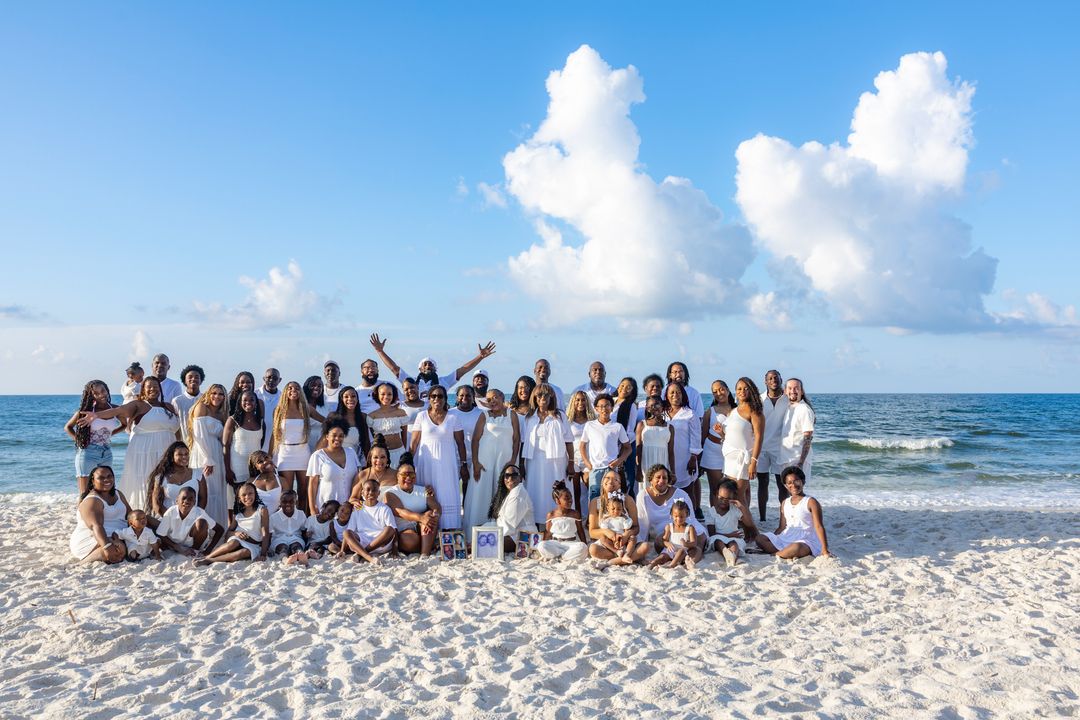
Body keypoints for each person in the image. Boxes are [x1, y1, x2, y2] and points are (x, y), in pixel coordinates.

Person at [78, 377, 181, 511]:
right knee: (145, 481)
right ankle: (143, 514)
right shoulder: (138, 405)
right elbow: (117, 411)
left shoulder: (169, 406)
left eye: (155, 386)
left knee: (167, 482)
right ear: (143, 389)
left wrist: (180, 447)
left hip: (167, 450)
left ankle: (167, 513)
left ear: (160, 389)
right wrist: (96, 415)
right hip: (144, 451)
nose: (152, 389)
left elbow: (177, 429)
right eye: (148, 386)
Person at [369, 333, 496, 400]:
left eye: (431, 364)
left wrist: (480, 357)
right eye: (425, 364)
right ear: (420, 368)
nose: (428, 365)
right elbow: (394, 368)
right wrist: (380, 351)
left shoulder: (443, 382)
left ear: (435, 369)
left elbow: (463, 370)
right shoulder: (411, 382)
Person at [410, 385, 468, 529]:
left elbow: (461, 443)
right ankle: (429, 530)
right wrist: (408, 463)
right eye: (433, 396)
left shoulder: (453, 418)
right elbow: (414, 442)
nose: (437, 399)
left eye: (440, 396)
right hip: (426, 463)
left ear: (445, 399)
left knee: (446, 493)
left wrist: (464, 465)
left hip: (447, 464)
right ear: (429, 399)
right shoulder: (421, 416)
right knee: (428, 495)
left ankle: (448, 529)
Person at [465, 389, 520, 535]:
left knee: (503, 493)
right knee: (481, 493)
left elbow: (516, 439)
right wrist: (475, 462)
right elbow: (475, 440)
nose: (493, 401)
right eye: (489, 399)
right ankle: (476, 531)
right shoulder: (484, 415)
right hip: (484, 461)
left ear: (502, 397)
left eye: (495, 397)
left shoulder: (511, 414)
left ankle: (503, 532)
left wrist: (513, 461)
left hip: (505, 461)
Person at [522, 383, 575, 526]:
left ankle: (559, 523)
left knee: (556, 491)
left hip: (556, 462)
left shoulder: (560, 416)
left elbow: (569, 442)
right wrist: (521, 465)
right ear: (534, 397)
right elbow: (522, 442)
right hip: (534, 462)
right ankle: (539, 525)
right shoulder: (528, 417)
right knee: (535, 491)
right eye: (539, 395)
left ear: (552, 397)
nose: (542, 398)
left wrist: (571, 463)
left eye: (546, 395)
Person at [755, 467, 830, 559]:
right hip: (787, 536)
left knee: (796, 547)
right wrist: (773, 540)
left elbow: (819, 526)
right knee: (760, 538)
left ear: (803, 482)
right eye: (789, 483)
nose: (793, 485)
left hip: (805, 540)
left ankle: (775, 554)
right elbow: (782, 527)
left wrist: (824, 549)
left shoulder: (811, 502)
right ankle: (783, 553)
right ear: (786, 486)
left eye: (796, 481)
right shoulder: (784, 503)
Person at [635, 464, 706, 559]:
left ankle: (694, 556)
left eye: (664, 478)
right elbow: (642, 522)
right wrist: (641, 543)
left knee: (700, 534)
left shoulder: (681, 494)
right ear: (651, 479)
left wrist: (686, 532)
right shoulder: (643, 495)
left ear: (668, 480)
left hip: (683, 526)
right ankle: (677, 556)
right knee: (661, 540)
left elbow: (691, 518)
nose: (661, 481)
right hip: (663, 531)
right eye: (658, 477)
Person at [64, 380, 122, 495]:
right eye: (96, 393)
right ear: (91, 396)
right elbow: (68, 427)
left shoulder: (115, 409)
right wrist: (80, 440)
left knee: (105, 490)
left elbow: (125, 424)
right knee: (85, 492)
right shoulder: (86, 411)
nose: (101, 395)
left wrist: (111, 434)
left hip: (106, 453)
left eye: (103, 391)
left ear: (107, 390)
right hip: (87, 453)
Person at [196, 482, 270, 565]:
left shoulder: (262, 510)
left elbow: (265, 533)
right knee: (233, 543)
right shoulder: (238, 512)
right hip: (237, 540)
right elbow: (228, 533)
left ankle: (210, 561)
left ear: (255, 494)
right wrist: (236, 533)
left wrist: (263, 554)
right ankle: (207, 557)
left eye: (250, 493)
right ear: (239, 498)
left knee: (244, 552)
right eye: (244, 495)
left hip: (254, 545)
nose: (247, 497)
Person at [187, 383, 229, 528]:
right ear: (208, 394)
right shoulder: (201, 407)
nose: (217, 397)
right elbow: (199, 435)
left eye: (220, 394)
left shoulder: (221, 414)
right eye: (214, 393)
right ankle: (202, 528)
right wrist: (208, 459)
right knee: (205, 489)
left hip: (217, 453)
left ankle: (218, 528)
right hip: (203, 453)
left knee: (217, 491)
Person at [69, 465, 131, 563]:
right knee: (118, 549)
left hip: (118, 534)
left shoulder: (118, 494)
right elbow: (95, 526)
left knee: (146, 522)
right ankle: (84, 562)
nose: (107, 480)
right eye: (101, 478)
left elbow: (130, 515)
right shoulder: (92, 500)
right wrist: (107, 546)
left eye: (109, 476)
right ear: (93, 481)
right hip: (94, 539)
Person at [587, 469, 650, 564]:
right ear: (602, 482)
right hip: (608, 544)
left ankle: (614, 561)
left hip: (626, 541)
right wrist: (606, 532)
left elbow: (636, 528)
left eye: (615, 479)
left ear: (620, 485)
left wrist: (626, 535)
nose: (611, 481)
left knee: (645, 546)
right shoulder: (596, 502)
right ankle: (624, 558)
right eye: (607, 478)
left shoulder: (628, 500)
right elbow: (592, 532)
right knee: (593, 549)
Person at [722, 377, 765, 512]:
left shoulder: (755, 412)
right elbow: (731, 436)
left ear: (752, 391)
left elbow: (759, 437)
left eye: (746, 388)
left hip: (743, 462)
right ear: (735, 391)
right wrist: (721, 433)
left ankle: (750, 529)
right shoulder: (732, 411)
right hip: (729, 461)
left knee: (738, 496)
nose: (742, 391)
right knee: (730, 495)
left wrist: (754, 462)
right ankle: (737, 526)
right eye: (739, 389)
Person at [382, 459, 441, 556]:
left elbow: (436, 506)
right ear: (398, 476)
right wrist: (421, 518)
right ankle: (429, 545)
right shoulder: (390, 493)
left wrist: (435, 515)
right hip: (404, 528)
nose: (408, 477)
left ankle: (425, 554)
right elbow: (401, 512)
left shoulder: (423, 490)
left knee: (430, 514)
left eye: (411, 474)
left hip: (424, 527)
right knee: (409, 540)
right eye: (404, 474)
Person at [269, 381, 313, 512]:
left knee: (303, 490)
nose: (293, 390)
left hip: (302, 451)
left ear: (300, 391)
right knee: (287, 491)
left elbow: (326, 421)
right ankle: (287, 521)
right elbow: (274, 434)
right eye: (290, 388)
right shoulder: (279, 410)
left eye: (296, 388)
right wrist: (270, 455)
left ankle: (303, 521)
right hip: (285, 452)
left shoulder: (306, 408)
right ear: (285, 392)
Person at [580, 393, 631, 501]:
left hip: (611, 468)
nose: (604, 409)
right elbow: (582, 446)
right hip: (595, 468)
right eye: (601, 406)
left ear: (612, 408)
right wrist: (587, 463)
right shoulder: (590, 425)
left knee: (612, 499)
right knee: (595, 499)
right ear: (596, 409)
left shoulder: (617, 427)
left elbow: (628, 448)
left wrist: (619, 461)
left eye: (607, 405)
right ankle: (593, 518)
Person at [307, 418, 362, 513]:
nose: (337, 438)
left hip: (348, 509)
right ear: (327, 436)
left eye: (341, 436)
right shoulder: (318, 456)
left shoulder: (351, 452)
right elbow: (312, 484)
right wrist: (312, 509)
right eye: (334, 435)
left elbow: (358, 478)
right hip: (326, 509)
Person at [663, 384, 702, 512]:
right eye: (672, 393)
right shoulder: (662, 412)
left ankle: (692, 516)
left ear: (683, 394)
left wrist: (693, 457)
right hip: (665, 456)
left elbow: (696, 437)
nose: (675, 395)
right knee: (666, 489)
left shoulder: (690, 413)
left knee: (687, 490)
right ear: (666, 395)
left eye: (678, 392)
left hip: (685, 457)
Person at [757, 369, 790, 522]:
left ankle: (783, 517)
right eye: (770, 378)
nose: (773, 380)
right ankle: (763, 518)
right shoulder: (759, 399)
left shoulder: (788, 398)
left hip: (780, 447)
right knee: (762, 483)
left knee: (781, 484)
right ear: (766, 382)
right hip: (762, 447)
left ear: (780, 379)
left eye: (776, 377)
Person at [339, 478, 397, 563]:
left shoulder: (384, 508)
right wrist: (342, 550)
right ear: (362, 492)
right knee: (346, 532)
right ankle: (368, 557)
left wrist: (395, 550)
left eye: (374, 490)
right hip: (362, 541)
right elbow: (350, 530)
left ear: (378, 493)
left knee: (389, 528)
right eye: (368, 490)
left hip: (380, 543)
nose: (371, 493)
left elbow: (394, 530)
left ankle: (361, 554)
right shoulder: (358, 508)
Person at [146, 441, 207, 520]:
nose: (184, 457)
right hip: (168, 518)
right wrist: (172, 519)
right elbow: (156, 504)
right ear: (172, 457)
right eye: (180, 454)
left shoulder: (198, 474)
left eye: (186, 454)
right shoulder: (161, 477)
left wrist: (193, 517)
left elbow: (203, 499)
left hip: (193, 518)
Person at [156, 486, 223, 556]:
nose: (187, 501)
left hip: (194, 545)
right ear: (177, 500)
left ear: (194, 502)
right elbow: (161, 534)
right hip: (174, 544)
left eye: (191, 499)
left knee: (202, 523)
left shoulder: (200, 513)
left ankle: (193, 551)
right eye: (184, 498)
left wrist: (208, 550)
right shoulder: (171, 511)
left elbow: (220, 529)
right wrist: (176, 546)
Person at [705, 479, 757, 567]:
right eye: (721, 498)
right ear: (717, 494)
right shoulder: (711, 512)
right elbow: (712, 533)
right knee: (718, 541)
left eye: (727, 499)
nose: (723, 501)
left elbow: (749, 524)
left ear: (733, 498)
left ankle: (732, 555)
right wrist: (729, 535)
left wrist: (741, 507)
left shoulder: (735, 510)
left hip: (734, 538)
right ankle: (726, 552)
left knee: (734, 543)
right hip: (719, 536)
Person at [701, 380, 737, 506]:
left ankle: (732, 517)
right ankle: (715, 518)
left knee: (733, 488)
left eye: (721, 389)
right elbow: (703, 435)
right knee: (716, 489)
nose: (718, 393)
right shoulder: (710, 411)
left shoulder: (738, 410)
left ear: (727, 390)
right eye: (714, 392)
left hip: (733, 452)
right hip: (712, 450)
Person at [535, 480, 589, 561]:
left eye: (571, 497)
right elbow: (548, 533)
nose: (570, 500)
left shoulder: (575, 514)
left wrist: (585, 545)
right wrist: (542, 545)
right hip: (555, 543)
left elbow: (580, 531)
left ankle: (560, 556)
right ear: (557, 500)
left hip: (571, 543)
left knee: (582, 547)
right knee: (541, 545)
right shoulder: (551, 514)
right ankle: (562, 555)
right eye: (566, 498)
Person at [223, 389, 264, 492]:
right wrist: (228, 470)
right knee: (239, 498)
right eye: (244, 400)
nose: (248, 403)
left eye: (251, 400)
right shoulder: (232, 420)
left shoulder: (261, 421)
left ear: (256, 403)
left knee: (254, 498)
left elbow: (260, 443)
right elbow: (226, 446)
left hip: (255, 467)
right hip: (237, 466)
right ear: (240, 403)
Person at [488, 464, 535, 553]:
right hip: (511, 533)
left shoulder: (518, 493)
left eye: (514, 475)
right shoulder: (510, 493)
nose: (510, 479)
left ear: (520, 477)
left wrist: (492, 534)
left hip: (522, 536)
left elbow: (509, 525)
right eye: (507, 476)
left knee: (486, 542)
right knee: (480, 530)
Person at [779, 379, 816, 494]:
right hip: (786, 458)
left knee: (797, 493)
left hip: (797, 459)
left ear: (802, 391)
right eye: (790, 388)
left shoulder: (804, 409)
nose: (793, 391)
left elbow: (808, 438)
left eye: (796, 388)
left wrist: (800, 463)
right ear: (785, 391)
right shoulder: (789, 407)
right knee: (789, 494)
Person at [635, 396, 675, 494]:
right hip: (646, 463)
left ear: (662, 407)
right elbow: (638, 449)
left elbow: (671, 452)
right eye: (651, 405)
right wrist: (638, 470)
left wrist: (673, 472)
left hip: (663, 462)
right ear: (647, 408)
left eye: (657, 404)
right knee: (646, 492)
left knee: (662, 491)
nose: (655, 407)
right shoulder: (642, 424)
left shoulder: (670, 427)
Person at [564, 390, 595, 514]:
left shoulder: (592, 420)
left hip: (588, 459)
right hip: (574, 458)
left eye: (583, 400)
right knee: (575, 491)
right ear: (573, 401)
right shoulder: (567, 420)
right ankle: (577, 517)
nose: (580, 402)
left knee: (592, 489)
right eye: (577, 400)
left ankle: (592, 517)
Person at [366, 383, 410, 467]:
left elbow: (404, 436)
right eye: (383, 394)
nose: (386, 397)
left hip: (399, 453)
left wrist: (404, 453)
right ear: (377, 395)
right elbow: (374, 439)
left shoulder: (401, 413)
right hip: (381, 457)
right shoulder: (371, 416)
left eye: (389, 394)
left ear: (393, 395)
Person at [449, 386, 483, 494]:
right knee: (452, 489)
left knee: (470, 491)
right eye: (461, 395)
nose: (465, 398)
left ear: (474, 398)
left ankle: (467, 509)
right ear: (456, 397)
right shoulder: (449, 413)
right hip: (453, 457)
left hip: (474, 458)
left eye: (468, 395)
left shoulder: (481, 413)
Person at [648, 499, 699, 569]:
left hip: (683, 552)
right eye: (676, 516)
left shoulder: (690, 528)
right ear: (671, 514)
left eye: (681, 517)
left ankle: (671, 565)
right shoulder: (669, 527)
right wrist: (667, 544)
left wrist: (686, 544)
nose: (678, 519)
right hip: (671, 550)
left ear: (686, 514)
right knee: (663, 556)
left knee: (681, 551)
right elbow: (664, 540)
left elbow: (694, 543)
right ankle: (653, 563)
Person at [323, 386, 371, 460]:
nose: (350, 399)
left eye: (353, 396)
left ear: (357, 399)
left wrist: (369, 462)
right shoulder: (333, 416)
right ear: (341, 399)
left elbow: (366, 442)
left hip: (355, 460)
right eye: (346, 397)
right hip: (335, 459)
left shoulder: (363, 416)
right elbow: (324, 439)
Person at [612, 377, 640, 496]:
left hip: (626, 445)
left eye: (628, 387)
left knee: (627, 478)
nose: (624, 389)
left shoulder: (631, 406)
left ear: (632, 391)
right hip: (610, 445)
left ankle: (629, 505)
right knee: (611, 479)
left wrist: (622, 447)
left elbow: (630, 430)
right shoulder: (610, 401)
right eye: (622, 385)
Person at [595, 489, 634, 562]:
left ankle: (626, 554)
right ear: (608, 508)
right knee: (602, 538)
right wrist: (614, 538)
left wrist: (622, 539)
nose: (616, 511)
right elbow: (605, 529)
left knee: (633, 538)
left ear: (622, 509)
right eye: (613, 509)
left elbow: (626, 531)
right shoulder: (607, 520)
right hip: (611, 540)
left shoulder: (623, 519)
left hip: (622, 540)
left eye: (619, 509)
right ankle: (616, 552)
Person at [172, 365, 205, 444]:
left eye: (197, 377)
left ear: (201, 380)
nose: (193, 379)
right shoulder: (177, 401)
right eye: (190, 377)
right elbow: (175, 426)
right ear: (185, 380)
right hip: (185, 444)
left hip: (203, 443)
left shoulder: (206, 400)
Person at [270, 490, 307, 558]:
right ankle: (285, 559)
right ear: (280, 503)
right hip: (279, 539)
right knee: (283, 549)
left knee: (297, 547)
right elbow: (269, 534)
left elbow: (304, 530)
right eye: (284, 502)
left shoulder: (301, 514)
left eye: (291, 501)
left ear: (296, 502)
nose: (288, 504)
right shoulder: (274, 517)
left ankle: (302, 558)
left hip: (296, 538)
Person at [257, 368, 282, 452]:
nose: (271, 380)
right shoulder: (255, 394)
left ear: (280, 380)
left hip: (276, 442)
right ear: (264, 378)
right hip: (257, 439)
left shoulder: (283, 397)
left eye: (275, 378)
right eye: (269, 377)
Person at [250, 451, 283, 515]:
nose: (265, 462)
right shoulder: (251, 482)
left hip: (276, 522)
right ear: (256, 467)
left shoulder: (282, 481)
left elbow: (287, 501)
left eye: (266, 458)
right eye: (260, 462)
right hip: (257, 521)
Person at [302, 376, 329, 452]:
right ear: (307, 387)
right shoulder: (301, 405)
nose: (316, 388)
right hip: (304, 443)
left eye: (319, 386)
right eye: (313, 385)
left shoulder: (326, 405)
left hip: (322, 443)